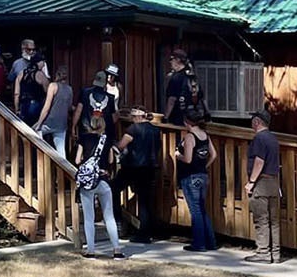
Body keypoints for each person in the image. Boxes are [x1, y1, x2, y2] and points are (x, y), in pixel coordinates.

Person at [74, 112, 123, 259]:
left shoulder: (83, 138)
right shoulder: (106, 140)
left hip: (88, 182)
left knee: (89, 218)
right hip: (103, 180)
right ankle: (117, 250)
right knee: (109, 217)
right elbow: (109, 161)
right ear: (103, 124)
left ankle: (91, 250)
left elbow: (77, 160)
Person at [113, 104, 162, 243]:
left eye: (133, 117)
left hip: (133, 167)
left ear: (138, 116)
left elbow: (121, 145)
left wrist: (113, 145)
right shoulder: (155, 130)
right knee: (146, 201)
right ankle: (147, 232)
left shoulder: (133, 129)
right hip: (151, 167)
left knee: (113, 189)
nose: (132, 119)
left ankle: (118, 220)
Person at [173, 108, 217, 251]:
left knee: (195, 211)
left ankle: (199, 243)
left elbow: (188, 159)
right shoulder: (205, 134)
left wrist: (177, 155)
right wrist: (205, 165)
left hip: (190, 176)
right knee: (202, 210)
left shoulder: (190, 137)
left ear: (187, 122)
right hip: (203, 175)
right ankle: (211, 242)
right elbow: (214, 154)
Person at [244, 109, 283, 263]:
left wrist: (251, 182)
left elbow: (259, 161)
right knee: (274, 220)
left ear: (257, 122)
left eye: (253, 120)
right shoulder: (273, 138)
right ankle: (276, 253)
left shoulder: (259, 139)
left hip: (261, 182)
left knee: (261, 219)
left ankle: (263, 253)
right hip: (274, 182)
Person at [33, 68, 73, 156]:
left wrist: (39, 123)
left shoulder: (53, 86)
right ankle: (64, 168)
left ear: (56, 75)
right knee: (61, 150)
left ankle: (42, 155)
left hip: (50, 121)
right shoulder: (69, 89)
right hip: (62, 123)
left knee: (34, 132)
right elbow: (69, 107)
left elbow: (46, 107)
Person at [70, 69, 114, 140]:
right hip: (103, 133)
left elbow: (78, 111)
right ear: (105, 82)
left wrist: (73, 126)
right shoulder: (110, 98)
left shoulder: (84, 92)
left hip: (86, 130)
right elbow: (112, 118)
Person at [163, 49, 202, 123]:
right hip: (193, 116)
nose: (170, 62)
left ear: (177, 60)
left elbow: (172, 100)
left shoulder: (176, 78)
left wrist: (166, 117)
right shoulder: (192, 76)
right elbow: (201, 96)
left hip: (178, 117)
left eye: (171, 59)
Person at [13, 47, 49, 125]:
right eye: (43, 61)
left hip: (23, 104)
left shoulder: (21, 73)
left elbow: (16, 94)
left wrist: (17, 109)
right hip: (36, 104)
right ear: (38, 62)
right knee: (34, 128)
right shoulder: (40, 74)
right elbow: (47, 91)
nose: (44, 63)